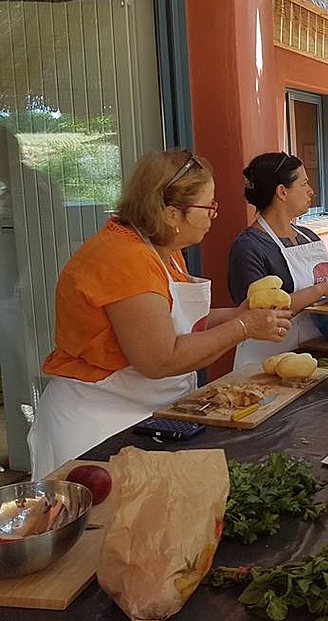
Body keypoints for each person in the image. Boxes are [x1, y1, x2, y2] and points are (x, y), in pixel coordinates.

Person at [28, 149, 292, 479]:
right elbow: (159, 358)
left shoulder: (163, 249)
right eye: (207, 206)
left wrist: (237, 315)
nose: (214, 215)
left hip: (145, 415)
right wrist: (243, 326)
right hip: (98, 425)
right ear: (170, 213)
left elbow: (173, 322)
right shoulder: (125, 259)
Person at [228, 152, 328, 367]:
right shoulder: (249, 247)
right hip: (266, 364)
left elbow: (323, 291)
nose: (311, 191)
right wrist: (322, 290)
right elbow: (257, 314)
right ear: (282, 192)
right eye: (304, 184)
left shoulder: (308, 237)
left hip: (317, 353)